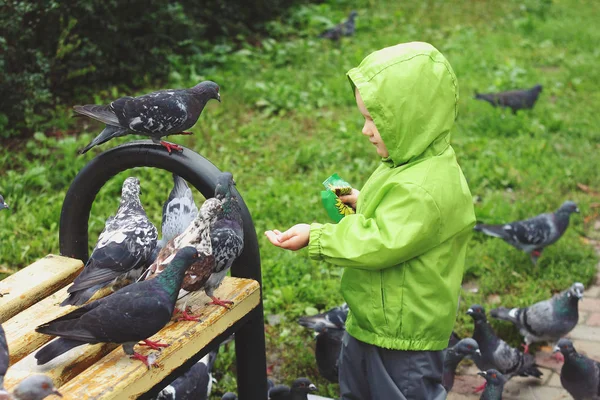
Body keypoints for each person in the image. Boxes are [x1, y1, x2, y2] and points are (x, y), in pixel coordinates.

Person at [265, 42, 476, 400]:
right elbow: (401, 221)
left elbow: (380, 242)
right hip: (374, 324)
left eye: (374, 119)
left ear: (412, 119)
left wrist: (315, 237)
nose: (366, 130)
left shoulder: (424, 187)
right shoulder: (408, 163)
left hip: (402, 340)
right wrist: (363, 201)